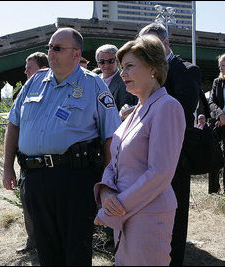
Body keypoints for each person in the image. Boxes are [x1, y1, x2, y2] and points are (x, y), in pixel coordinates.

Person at [3, 27, 121, 266]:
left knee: (76, 250)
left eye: (57, 48)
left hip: (75, 178)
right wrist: (7, 167)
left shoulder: (94, 85)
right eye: (49, 47)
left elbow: (111, 136)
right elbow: (13, 124)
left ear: (76, 54)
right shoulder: (35, 82)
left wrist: (107, 182)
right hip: (35, 178)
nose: (51, 53)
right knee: (47, 250)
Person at [94, 34, 186, 265]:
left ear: (153, 68)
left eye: (129, 66)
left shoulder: (167, 107)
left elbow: (160, 174)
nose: (122, 73)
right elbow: (115, 161)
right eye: (122, 67)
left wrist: (114, 209)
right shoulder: (134, 112)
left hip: (148, 215)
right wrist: (105, 192)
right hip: (125, 215)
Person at [138, 22, 201, 266]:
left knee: (174, 220)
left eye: (149, 46)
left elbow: (183, 110)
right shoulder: (148, 70)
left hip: (174, 157)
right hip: (145, 155)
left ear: (164, 44)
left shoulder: (185, 69)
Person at [16, 51, 49, 254]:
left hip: (44, 164)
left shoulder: (49, 90)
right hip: (25, 161)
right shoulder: (25, 90)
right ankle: (32, 242)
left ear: (42, 69)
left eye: (30, 67)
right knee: (26, 202)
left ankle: (45, 243)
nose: (26, 71)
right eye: (26, 67)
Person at [95, 44, 137, 112]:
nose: (106, 65)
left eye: (110, 61)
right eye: (102, 62)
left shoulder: (126, 82)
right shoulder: (94, 80)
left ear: (117, 62)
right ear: (98, 64)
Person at [209, 53, 225, 195]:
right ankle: (214, 189)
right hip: (218, 122)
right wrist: (220, 115)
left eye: (223, 65)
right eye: (219, 65)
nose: (220, 68)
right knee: (213, 154)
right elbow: (212, 102)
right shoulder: (217, 82)